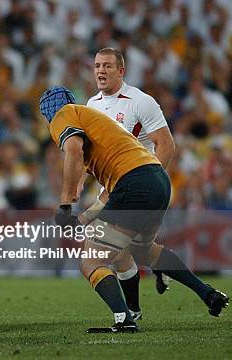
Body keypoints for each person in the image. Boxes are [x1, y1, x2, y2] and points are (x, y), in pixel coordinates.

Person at [39, 85, 228, 333]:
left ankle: (124, 318)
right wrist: (82, 218)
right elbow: (109, 190)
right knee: (143, 251)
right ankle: (209, 294)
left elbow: (73, 149)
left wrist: (64, 205)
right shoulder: (99, 130)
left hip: (134, 182)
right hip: (157, 179)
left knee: (92, 261)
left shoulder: (64, 115)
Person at [83, 47, 176, 320]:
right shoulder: (91, 105)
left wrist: (153, 180)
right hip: (111, 187)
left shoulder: (141, 101)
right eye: (97, 65)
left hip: (139, 186)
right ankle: (135, 308)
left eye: (108, 66)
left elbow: (166, 144)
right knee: (124, 252)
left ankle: (129, 311)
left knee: (105, 250)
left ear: (121, 71)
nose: (101, 70)